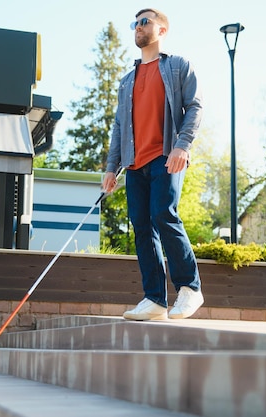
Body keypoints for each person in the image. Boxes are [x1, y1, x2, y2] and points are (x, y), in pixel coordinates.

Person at [102, 8, 203, 321]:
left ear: (162, 30)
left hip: (166, 156)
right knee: (141, 227)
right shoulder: (127, 81)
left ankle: (190, 288)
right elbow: (120, 126)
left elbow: (195, 106)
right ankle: (155, 299)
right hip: (135, 164)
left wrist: (182, 146)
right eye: (135, 23)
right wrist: (111, 167)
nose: (138, 27)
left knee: (163, 213)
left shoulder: (176, 67)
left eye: (144, 22)